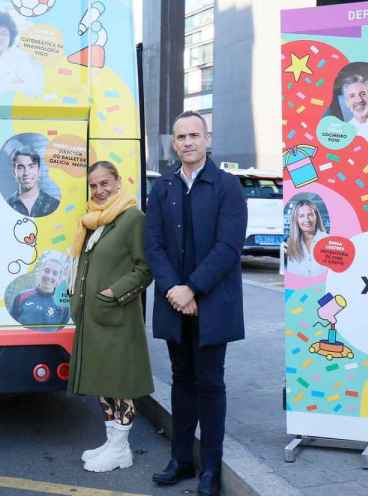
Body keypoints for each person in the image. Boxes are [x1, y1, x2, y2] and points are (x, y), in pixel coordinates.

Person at [145, 111, 247, 496]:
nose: (187, 142)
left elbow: (229, 247)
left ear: (207, 139)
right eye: (180, 136)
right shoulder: (163, 188)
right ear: (173, 143)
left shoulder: (227, 186)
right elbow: (152, 245)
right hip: (175, 302)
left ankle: (210, 469)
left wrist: (192, 289)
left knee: (210, 383)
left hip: (212, 303)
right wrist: (174, 288)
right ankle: (181, 459)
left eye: (194, 135)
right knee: (181, 381)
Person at [68, 161, 153, 473]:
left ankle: (121, 449)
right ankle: (111, 442)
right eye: (94, 186)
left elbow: (145, 268)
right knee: (103, 383)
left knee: (121, 385)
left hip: (116, 316)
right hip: (93, 318)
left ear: (118, 183)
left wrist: (112, 294)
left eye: (105, 183)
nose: (99, 190)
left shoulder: (133, 218)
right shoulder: (94, 222)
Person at [9, 251, 70, 328]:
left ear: (59, 278)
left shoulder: (63, 304)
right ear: (40, 272)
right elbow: (11, 326)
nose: (49, 276)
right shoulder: (21, 297)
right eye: (47, 271)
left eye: (55, 273)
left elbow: (63, 331)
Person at [6, 146, 60, 217]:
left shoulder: (54, 205)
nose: (26, 173)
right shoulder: (6, 205)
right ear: (14, 172)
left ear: (39, 171)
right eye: (20, 167)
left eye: (31, 166)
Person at [286, 199, 326, 276]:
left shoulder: (328, 241)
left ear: (316, 216)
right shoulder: (291, 245)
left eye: (310, 215)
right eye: (301, 216)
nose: (307, 220)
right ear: (296, 220)